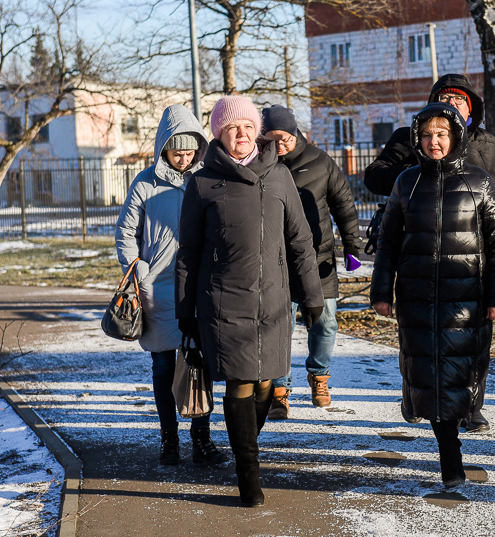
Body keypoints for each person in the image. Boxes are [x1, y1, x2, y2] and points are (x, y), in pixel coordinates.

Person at [364, 73, 495, 433]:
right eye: (445, 97)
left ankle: (472, 407)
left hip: (473, 261)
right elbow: (373, 177)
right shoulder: (412, 140)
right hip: (421, 258)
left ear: (471, 109)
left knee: (472, 340)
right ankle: (416, 397)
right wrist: (417, 166)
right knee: (418, 338)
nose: (452, 104)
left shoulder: (489, 146)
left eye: (460, 100)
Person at [175, 95, 324, 507]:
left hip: (274, 301)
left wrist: (312, 297)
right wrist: (185, 311)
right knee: (241, 382)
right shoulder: (202, 183)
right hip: (223, 302)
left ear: (255, 131)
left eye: (245, 127)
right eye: (230, 129)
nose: (239, 134)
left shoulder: (278, 177)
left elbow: (300, 241)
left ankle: (245, 446)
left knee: (264, 384)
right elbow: (187, 252)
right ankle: (248, 473)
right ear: (218, 135)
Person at [370, 103, 495, 487]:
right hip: (416, 299)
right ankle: (451, 457)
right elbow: (388, 242)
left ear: (455, 137)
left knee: (461, 376)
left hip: (466, 300)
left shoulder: (478, 182)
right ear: (418, 138)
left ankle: (452, 436)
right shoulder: (406, 182)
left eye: (442, 134)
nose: (435, 142)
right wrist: (381, 290)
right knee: (427, 375)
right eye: (428, 135)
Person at [115, 104, 228, 469]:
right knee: (163, 368)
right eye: (176, 151)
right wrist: (138, 271)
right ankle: (169, 440)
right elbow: (125, 233)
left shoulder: (208, 178)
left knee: (199, 367)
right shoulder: (144, 183)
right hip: (158, 289)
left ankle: (202, 439)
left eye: (190, 150)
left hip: (198, 287)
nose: (184, 157)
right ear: (163, 147)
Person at [259, 105, 361, 419]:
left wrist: (353, 246)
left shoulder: (320, 162)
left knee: (325, 322)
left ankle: (319, 377)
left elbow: (343, 204)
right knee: (279, 327)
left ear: (295, 132)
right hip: (277, 263)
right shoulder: (259, 165)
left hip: (319, 259)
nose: (281, 144)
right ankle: (279, 390)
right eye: (273, 138)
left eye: (285, 136)